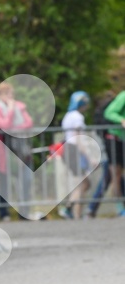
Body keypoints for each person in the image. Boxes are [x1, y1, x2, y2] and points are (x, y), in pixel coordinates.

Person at [0, 81, 33, 219]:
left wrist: (14, 127)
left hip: (21, 150)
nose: (11, 97)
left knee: (26, 179)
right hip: (3, 152)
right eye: (8, 94)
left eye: (12, 94)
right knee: (4, 182)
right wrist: (12, 109)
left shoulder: (20, 107)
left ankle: (24, 211)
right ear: (0, 95)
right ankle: (4, 213)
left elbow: (29, 123)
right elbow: (4, 125)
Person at [60, 91, 92, 219]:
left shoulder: (68, 115)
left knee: (83, 183)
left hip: (68, 149)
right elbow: (78, 139)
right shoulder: (78, 117)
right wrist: (90, 157)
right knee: (81, 183)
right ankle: (74, 213)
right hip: (74, 149)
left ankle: (70, 208)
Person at [103, 91, 125, 217]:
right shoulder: (124, 96)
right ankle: (119, 208)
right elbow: (109, 112)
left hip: (122, 140)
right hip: (114, 139)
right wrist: (121, 120)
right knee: (115, 175)